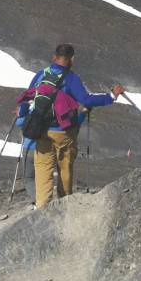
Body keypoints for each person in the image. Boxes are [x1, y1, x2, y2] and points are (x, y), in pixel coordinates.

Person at [18, 43, 124, 208]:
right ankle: (64, 202)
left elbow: (28, 97)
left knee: (43, 168)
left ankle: (42, 205)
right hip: (63, 131)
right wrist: (111, 96)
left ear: (54, 57)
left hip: (42, 130)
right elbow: (86, 100)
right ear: (72, 59)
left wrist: (22, 113)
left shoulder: (41, 75)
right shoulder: (71, 78)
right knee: (65, 166)